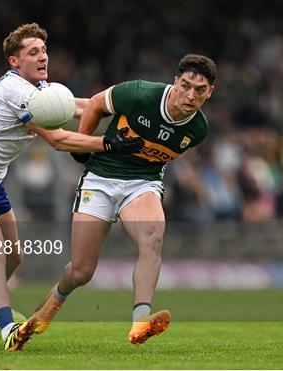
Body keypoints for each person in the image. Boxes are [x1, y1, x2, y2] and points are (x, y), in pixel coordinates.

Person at [0, 23, 143, 352]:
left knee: (14, 258)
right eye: (33, 52)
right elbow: (58, 140)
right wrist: (107, 143)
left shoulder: (40, 88)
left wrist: (125, 107)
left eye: (44, 50)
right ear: (14, 62)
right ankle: (9, 331)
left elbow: (80, 106)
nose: (43, 56)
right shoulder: (16, 91)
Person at [30, 54, 217, 345]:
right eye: (186, 85)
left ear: (210, 93)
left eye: (200, 90)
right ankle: (51, 304)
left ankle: (140, 321)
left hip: (142, 184)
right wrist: (82, 145)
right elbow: (93, 104)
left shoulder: (198, 129)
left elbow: (156, 157)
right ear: (175, 81)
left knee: (153, 236)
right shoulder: (139, 93)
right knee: (80, 272)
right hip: (101, 177)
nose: (191, 95)